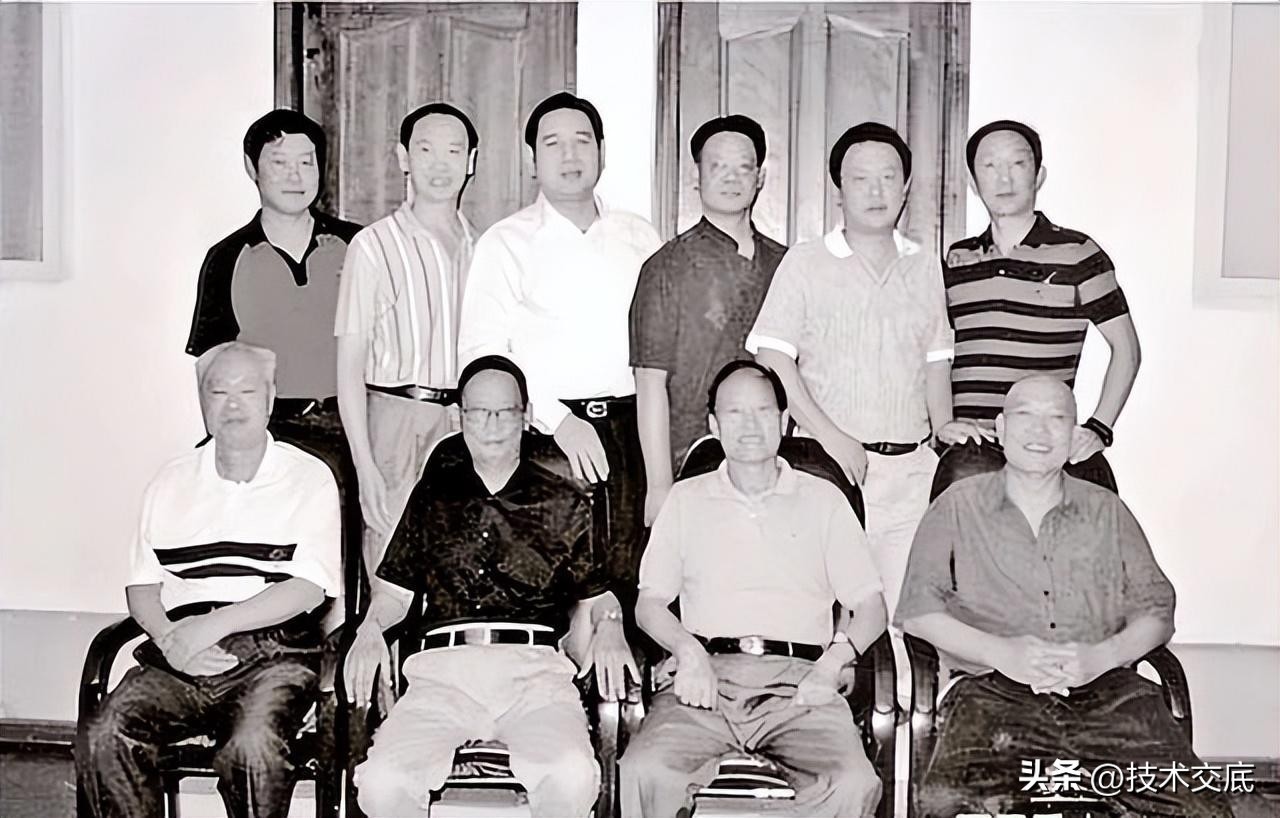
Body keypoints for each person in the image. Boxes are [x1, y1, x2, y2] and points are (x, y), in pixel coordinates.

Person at [896, 376, 1232, 818]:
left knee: (1202, 808)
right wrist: (1001, 653)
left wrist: (1103, 656)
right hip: (992, 693)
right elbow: (918, 609)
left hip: (1108, 693)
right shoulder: (957, 505)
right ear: (1001, 428)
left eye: (1056, 419)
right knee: (945, 804)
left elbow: (1157, 608)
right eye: (1025, 415)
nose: (1040, 431)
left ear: (1073, 436)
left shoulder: (1106, 509)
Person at [344, 355, 637, 818]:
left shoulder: (563, 501)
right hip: (442, 676)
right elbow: (394, 594)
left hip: (534, 676)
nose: (493, 424)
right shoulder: (433, 494)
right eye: (480, 412)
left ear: (526, 415)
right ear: (460, 417)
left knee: (573, 775)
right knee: (382, 783)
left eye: (505, 411)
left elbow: (598, 595)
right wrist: (368, 630)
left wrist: (612, 626)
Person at [77, 342, 342, 818]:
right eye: (219, 392)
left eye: (247, 391)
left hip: (275, 653)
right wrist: (170, 639)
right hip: (180, 652)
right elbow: (142, 588)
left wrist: (212, 626)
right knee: (107, 731)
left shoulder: (309, 478)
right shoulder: (170, 481)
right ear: (203, 402)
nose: (233, 404)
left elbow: (306, 588)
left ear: (270, 396)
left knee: (253, 748)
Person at [620, 361, 886, 818]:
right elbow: (650, 605)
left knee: (852, 783)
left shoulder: (824, 499)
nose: (749, 425)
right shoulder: (686, 499)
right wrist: (688, 652)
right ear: (714, 425)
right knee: (644, 770)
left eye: (763, 411)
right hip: (706, 679)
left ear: (784, 421)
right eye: (735, 412)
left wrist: (833, 663)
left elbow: (871, 606)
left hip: (799, 685)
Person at [459, 91, 663, 598]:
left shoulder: (639, 236)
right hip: (549, 432)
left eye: (582, 141)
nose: (570, 154)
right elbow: (482, 354)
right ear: (533, 160)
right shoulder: (505, 242)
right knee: (553, 582)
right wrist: (558, 420)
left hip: (632, 429)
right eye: (553, 143)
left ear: (602, 151)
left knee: (630, 574)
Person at [747, 122, 953, 618]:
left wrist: (944, 431)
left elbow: (936, 360)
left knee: (903, 622)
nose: (876, 191)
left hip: (910, 476)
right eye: (860, 179)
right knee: (826, 618)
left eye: (888, 177)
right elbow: (772, 357)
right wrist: (831, 437)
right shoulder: (806, 262)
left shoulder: (924, 266)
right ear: (839, 191)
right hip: (829, 468)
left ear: (905, 187)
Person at [935, 119, 1142, 496]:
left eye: (1018, 163)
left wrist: (1099, 428)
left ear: (1039, 175)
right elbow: (935, 353)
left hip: (1046, 443)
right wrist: (942, 423)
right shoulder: (956, 260)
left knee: (1096, 505)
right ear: (973, 182)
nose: (1004, 178)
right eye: (990, 166)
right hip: (973, 448)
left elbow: (1126, 349)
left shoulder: (1078, 254)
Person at [334, 102, 479, 582]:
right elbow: (348, 367)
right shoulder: (373, 246)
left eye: (454, 151)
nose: (440, 164)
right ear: (404, 158)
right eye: (426, 149)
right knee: (391, 570)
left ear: (471, 162)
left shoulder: (483, 247)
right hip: (395, 421)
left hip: (466, 424)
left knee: (459, 567)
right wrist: (365, 467)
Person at [629, 114, 786, 526]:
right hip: (692, 459)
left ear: (760, 177)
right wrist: (659, 485)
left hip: (774, 461)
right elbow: (650, 383)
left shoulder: (786, 264)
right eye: (718, 166)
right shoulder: (666, 267)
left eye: (744, 167)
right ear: (696, 176)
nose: (732, 178)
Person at [186, 109, 360, 468]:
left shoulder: (358, 244)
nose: (295, 176)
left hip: (352, 429)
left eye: (306, 162)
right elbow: (211, 364)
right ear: (252, 168)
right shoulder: (227, 256)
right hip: (270, 434)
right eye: (279, 162)